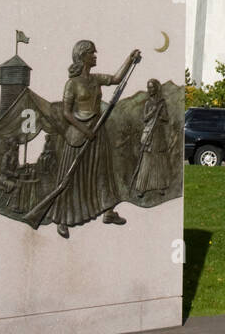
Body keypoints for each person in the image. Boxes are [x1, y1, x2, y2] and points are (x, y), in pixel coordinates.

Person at [49, 40, 140, 238]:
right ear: (82, 57)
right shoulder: (72, 84)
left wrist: (130, 60)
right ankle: (63, 219)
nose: (95, 55)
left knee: (103, 173)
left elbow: (116, 79)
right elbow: (67, 113)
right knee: (72, 176)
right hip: (78, 135)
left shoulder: (95, 79)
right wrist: (84, 129)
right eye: (92, 53)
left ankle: (108, 211)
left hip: (97, 133)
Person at [133, 80, 172, 197]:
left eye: (151, 87)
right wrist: (153, 111)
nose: (149, 90)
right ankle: (141, 188)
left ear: (156, 88)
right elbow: (144, 118)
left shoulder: (162, 102)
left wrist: (160, 114)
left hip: (159, 134)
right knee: (147, 160)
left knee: (159, 159)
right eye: (148, 87)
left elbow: (166, 118)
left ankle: (160, 186)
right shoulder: (147, 103)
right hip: (149, 133)